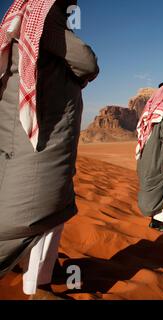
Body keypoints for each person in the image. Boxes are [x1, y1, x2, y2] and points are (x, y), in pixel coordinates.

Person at [0, 0, 99, 299]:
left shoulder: (20, 28)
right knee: (47, 210)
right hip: (43, 145)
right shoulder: (47, 23)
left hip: (23, 143)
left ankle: (30, 262)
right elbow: (87, 62)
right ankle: (39, 286)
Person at [136, 81, 163, 234]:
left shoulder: (150, 110)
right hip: (158, 155)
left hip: (145, 155)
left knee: (157, 186)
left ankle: (155, 221)